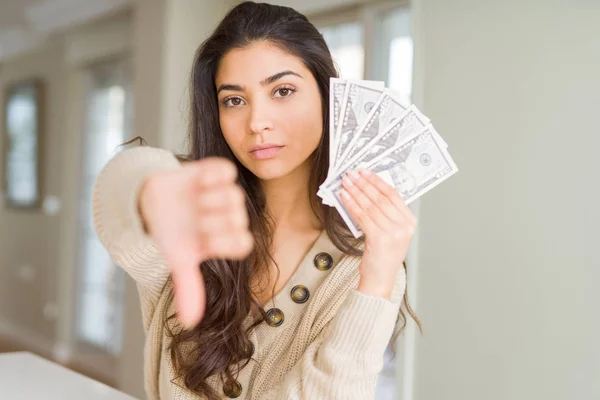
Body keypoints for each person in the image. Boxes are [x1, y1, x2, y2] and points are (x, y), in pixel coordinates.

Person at [93, 2, 421, 399]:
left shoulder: (361, 264)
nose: (256, 122)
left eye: (283, 91)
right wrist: (147, 197)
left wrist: (378, 278)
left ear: (328, 96)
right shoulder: (197, 212)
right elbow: (119, 189)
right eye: (234, 100)